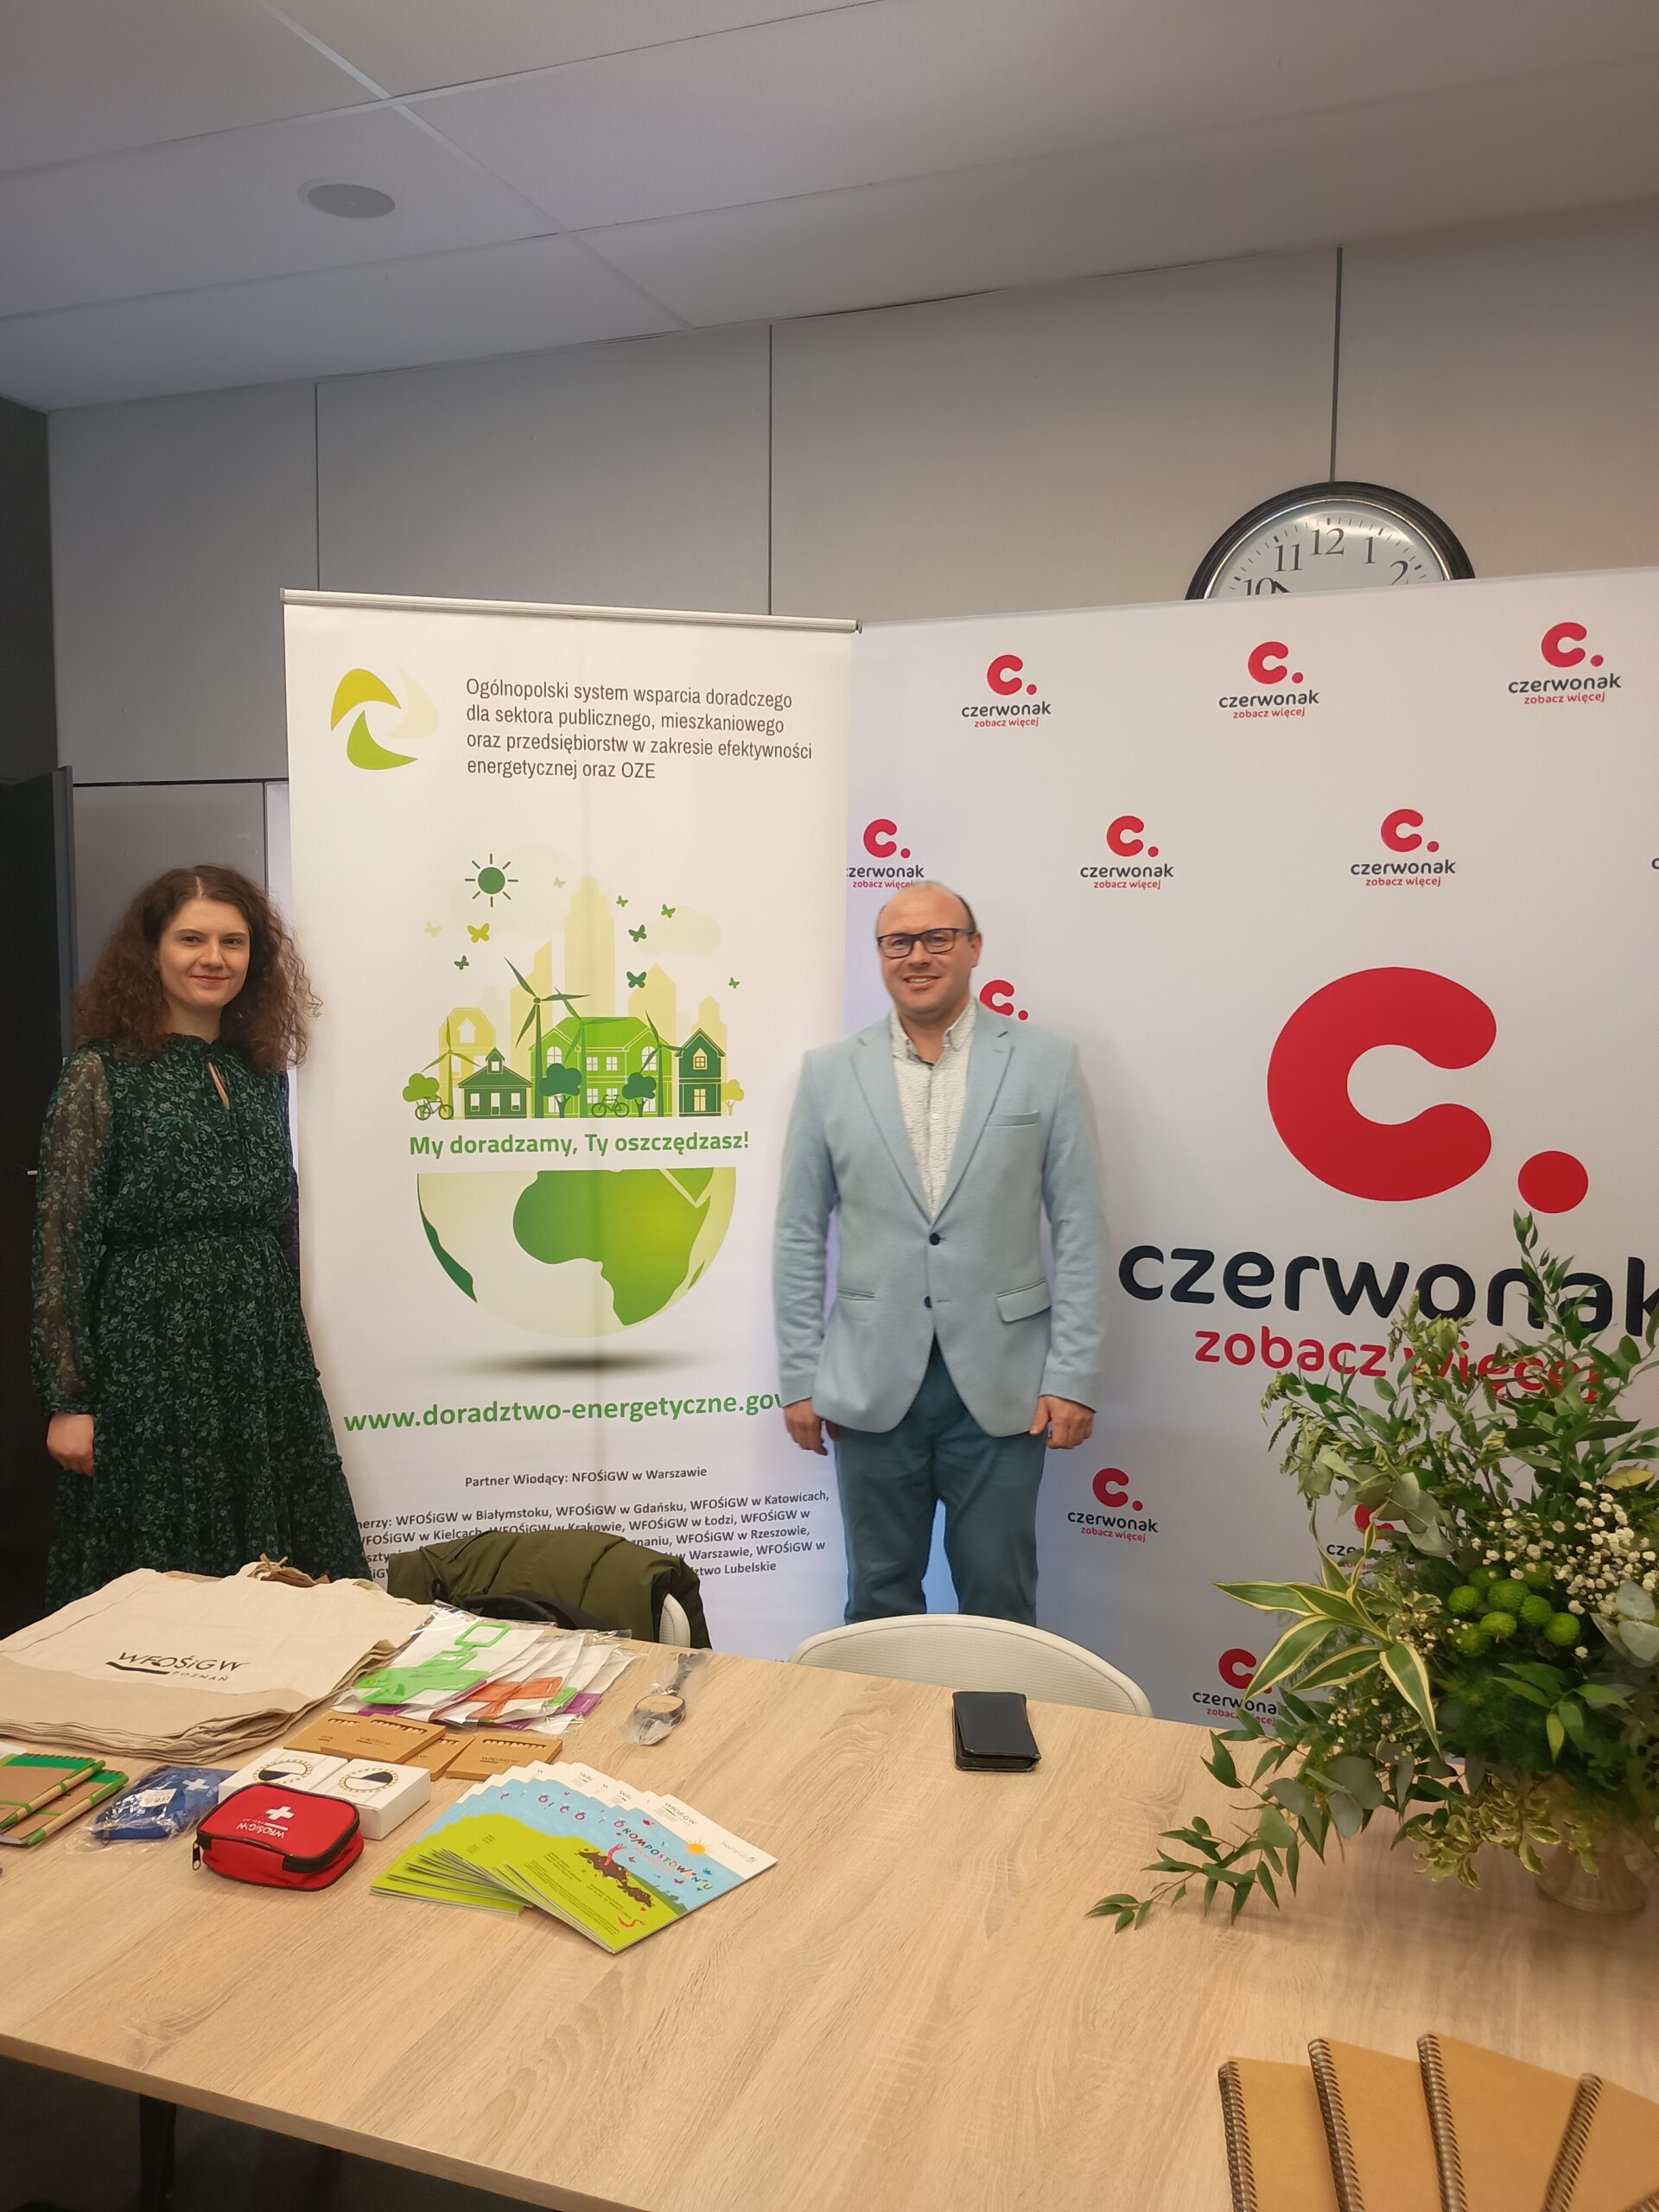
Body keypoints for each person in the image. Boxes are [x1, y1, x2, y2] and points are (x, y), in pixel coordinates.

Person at [31, 864, 368, 1605]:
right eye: (191, 939)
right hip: (151, 1348)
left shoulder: (261, 1073)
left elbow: (279, 1220)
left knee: (285, 1559)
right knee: (163, 1559)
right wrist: (69, 1398)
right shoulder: (100, 1074)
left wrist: (284, 1345)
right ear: (150, 951)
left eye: (232, 941)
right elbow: (63, 1243)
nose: (213, 957)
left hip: (258, 1347)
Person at [773, 882, 1103, 1624]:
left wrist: (1074, 1375)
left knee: (1000, 1598)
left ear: (974, 947)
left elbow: (1080, 1226)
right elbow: (798, 1232)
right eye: (899, 942)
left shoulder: (1045, 1063)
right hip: (868, 1383)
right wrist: (799, 1376)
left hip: (1006, 1385)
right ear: (881, 955)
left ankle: (994, 1711)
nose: (917, 956)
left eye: (937, 938)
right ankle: (881, 1711)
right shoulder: (829, 1072)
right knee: (878, 1598)